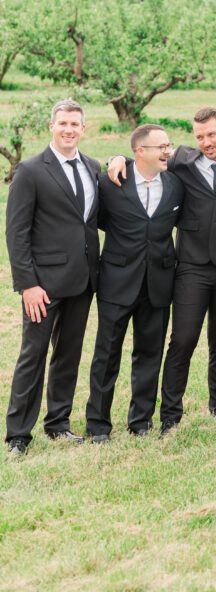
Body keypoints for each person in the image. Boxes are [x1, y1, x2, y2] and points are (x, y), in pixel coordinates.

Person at [107, 107, 216, 434]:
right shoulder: (182, 161)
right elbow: (141, 157)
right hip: (191, 267)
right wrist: (115, 157)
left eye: (211, 134)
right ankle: (170, 415)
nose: (206, 142)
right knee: (183, 340)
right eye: (200, 136)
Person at [5, 100, 100, 457]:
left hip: (83, 280)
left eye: (75, 124)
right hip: (42, 285)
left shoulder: (92, 166)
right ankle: (18, 434)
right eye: (63, 123)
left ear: (83, 128)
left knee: (69, 354)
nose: (69, 129)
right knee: (33, 355)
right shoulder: (30, 170)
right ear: (51, 126)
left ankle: (58, 422)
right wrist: (28, 284)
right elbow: (16, 233)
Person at [86, 126, 184, 441]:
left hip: (158, 283)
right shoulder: (110, 183)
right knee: (106, 354)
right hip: (117, 281)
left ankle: (140, 421)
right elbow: (100, 221)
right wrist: (115, 158)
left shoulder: (175, 185)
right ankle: (98, 424)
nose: (167, 151)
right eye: (161, 146)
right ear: (139, 151)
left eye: (168, 145)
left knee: (149, 353)